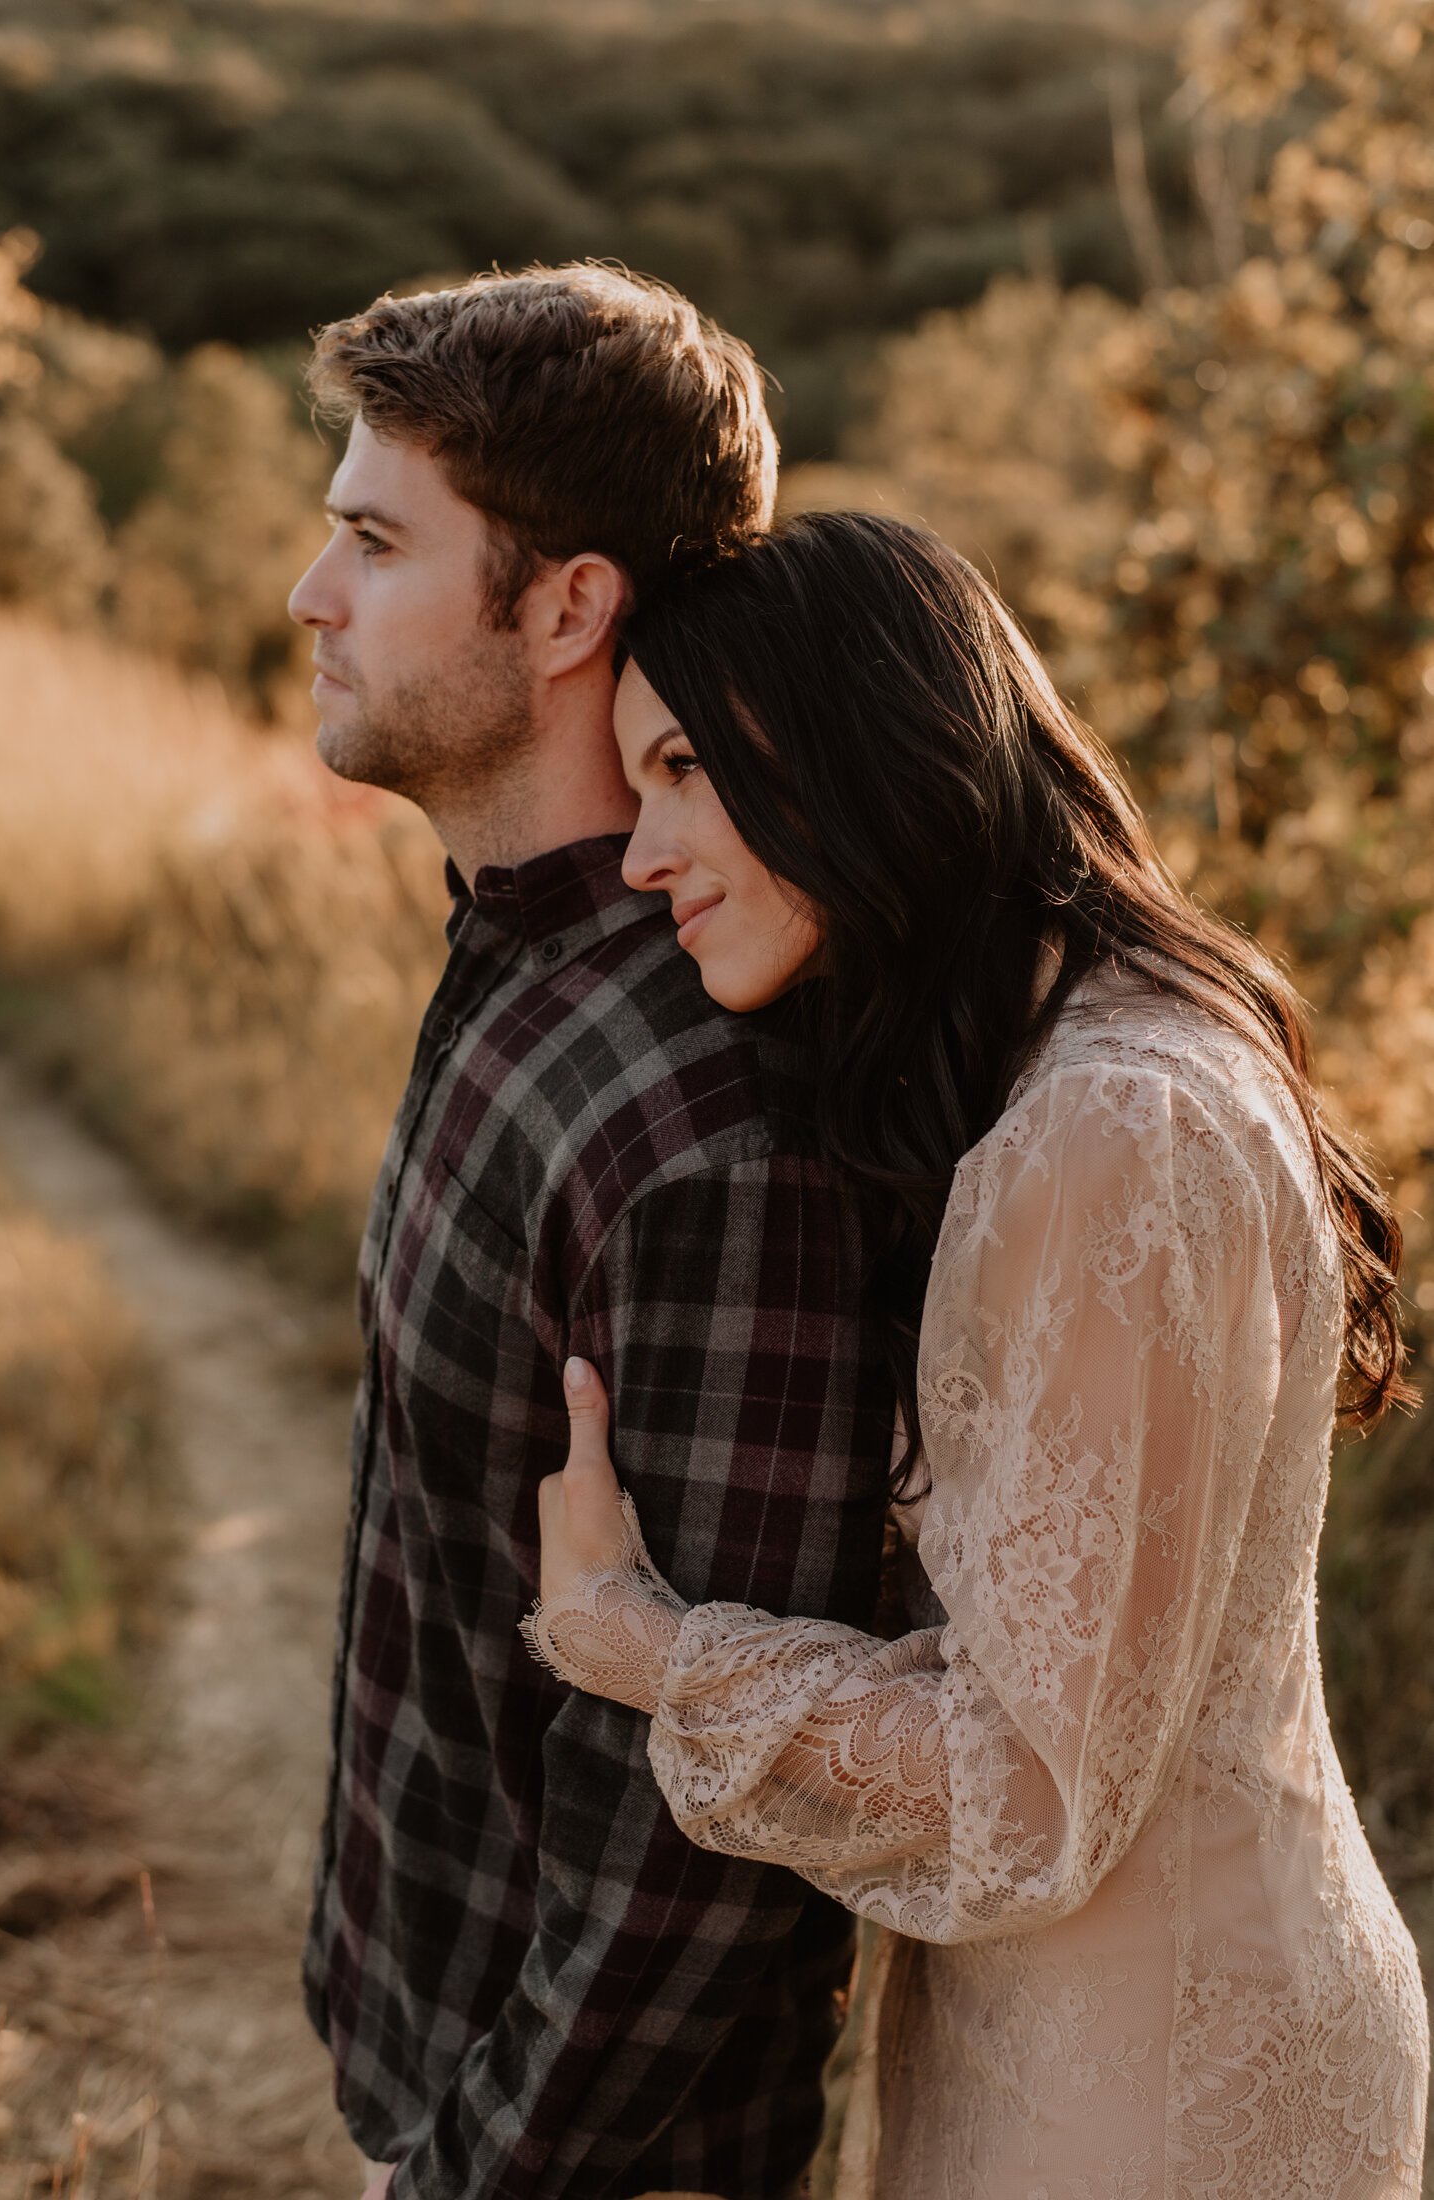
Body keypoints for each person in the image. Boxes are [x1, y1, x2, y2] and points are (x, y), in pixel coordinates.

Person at [529, 511, 1431, 2198]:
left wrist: (637, 1639)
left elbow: (1023, 1791)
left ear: (850, 742)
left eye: (675, 770)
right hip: (1098, 2022)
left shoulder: (1107, 1131)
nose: (641, 853)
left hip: (1155, 2084)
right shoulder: (1094, 1067)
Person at [287, 274, 897, 2200]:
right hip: (432, 2050)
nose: (313, 593)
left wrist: (472, 2168)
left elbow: (704, 1828)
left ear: (567, 606)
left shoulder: (700, 1128)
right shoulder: (519, 959)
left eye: (376, 541)